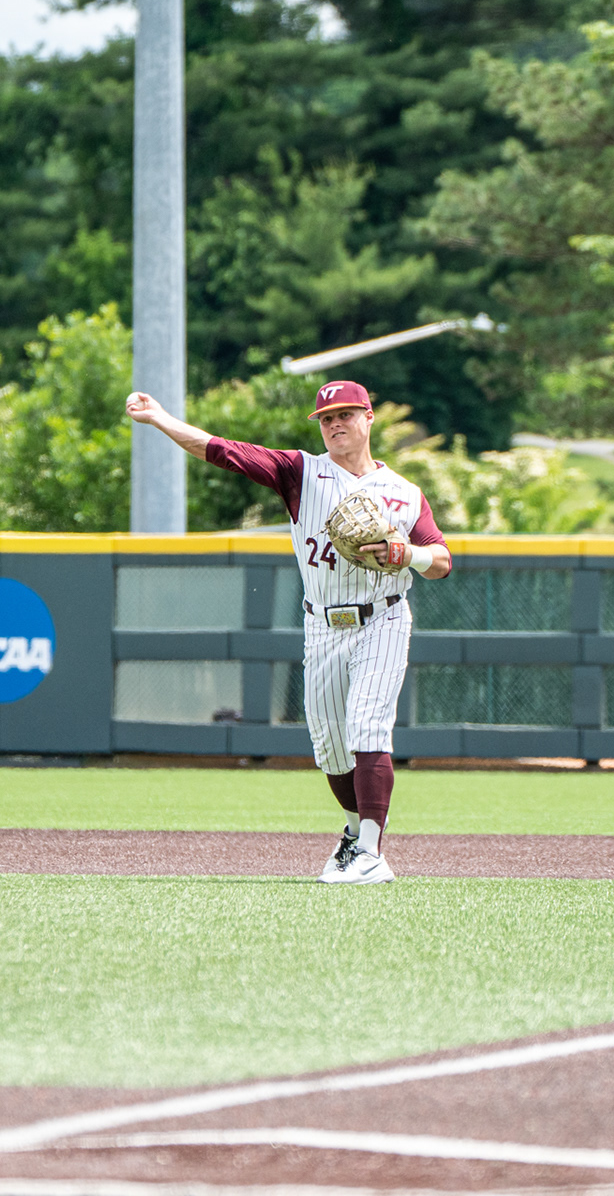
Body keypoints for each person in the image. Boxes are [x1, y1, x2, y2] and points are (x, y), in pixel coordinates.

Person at [126, 379, 451, 884]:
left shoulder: (404, 494)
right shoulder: (301, 471)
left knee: (367, 724)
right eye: (326, 419)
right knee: (330, 747)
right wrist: (162, 419)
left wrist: (406, 554)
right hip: (322, 622)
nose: (335, 424)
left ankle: (370, 853)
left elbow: (442, 561)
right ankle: (352, 835)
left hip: (382, 616)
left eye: (345, 414)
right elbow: (222, 451)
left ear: (369, 419)